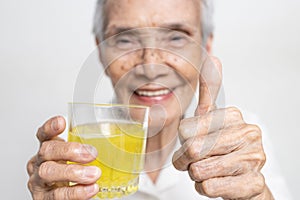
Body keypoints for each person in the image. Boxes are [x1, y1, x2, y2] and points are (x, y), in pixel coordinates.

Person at [27, 0, 290, 199]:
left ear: (205, 49)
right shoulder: (66, 157)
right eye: (125, 39)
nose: (150, 67)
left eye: (176, 38)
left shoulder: (241, 142)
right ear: (101, 52)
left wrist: (258, 196)